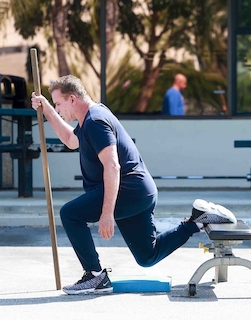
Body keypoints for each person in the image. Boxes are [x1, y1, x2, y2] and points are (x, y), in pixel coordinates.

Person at [31, 75, 237, 295]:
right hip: (139, 192)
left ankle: (94, 275)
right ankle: (197, 220)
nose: (58, 108)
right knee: (148, 256)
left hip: (129, 190)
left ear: (72, 99)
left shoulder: (95, 122)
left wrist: (107, 213)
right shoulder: (89, 118)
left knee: (71, 214)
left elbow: (112, 166)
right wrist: (47, 110)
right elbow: (70, 140)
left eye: (58, 104)